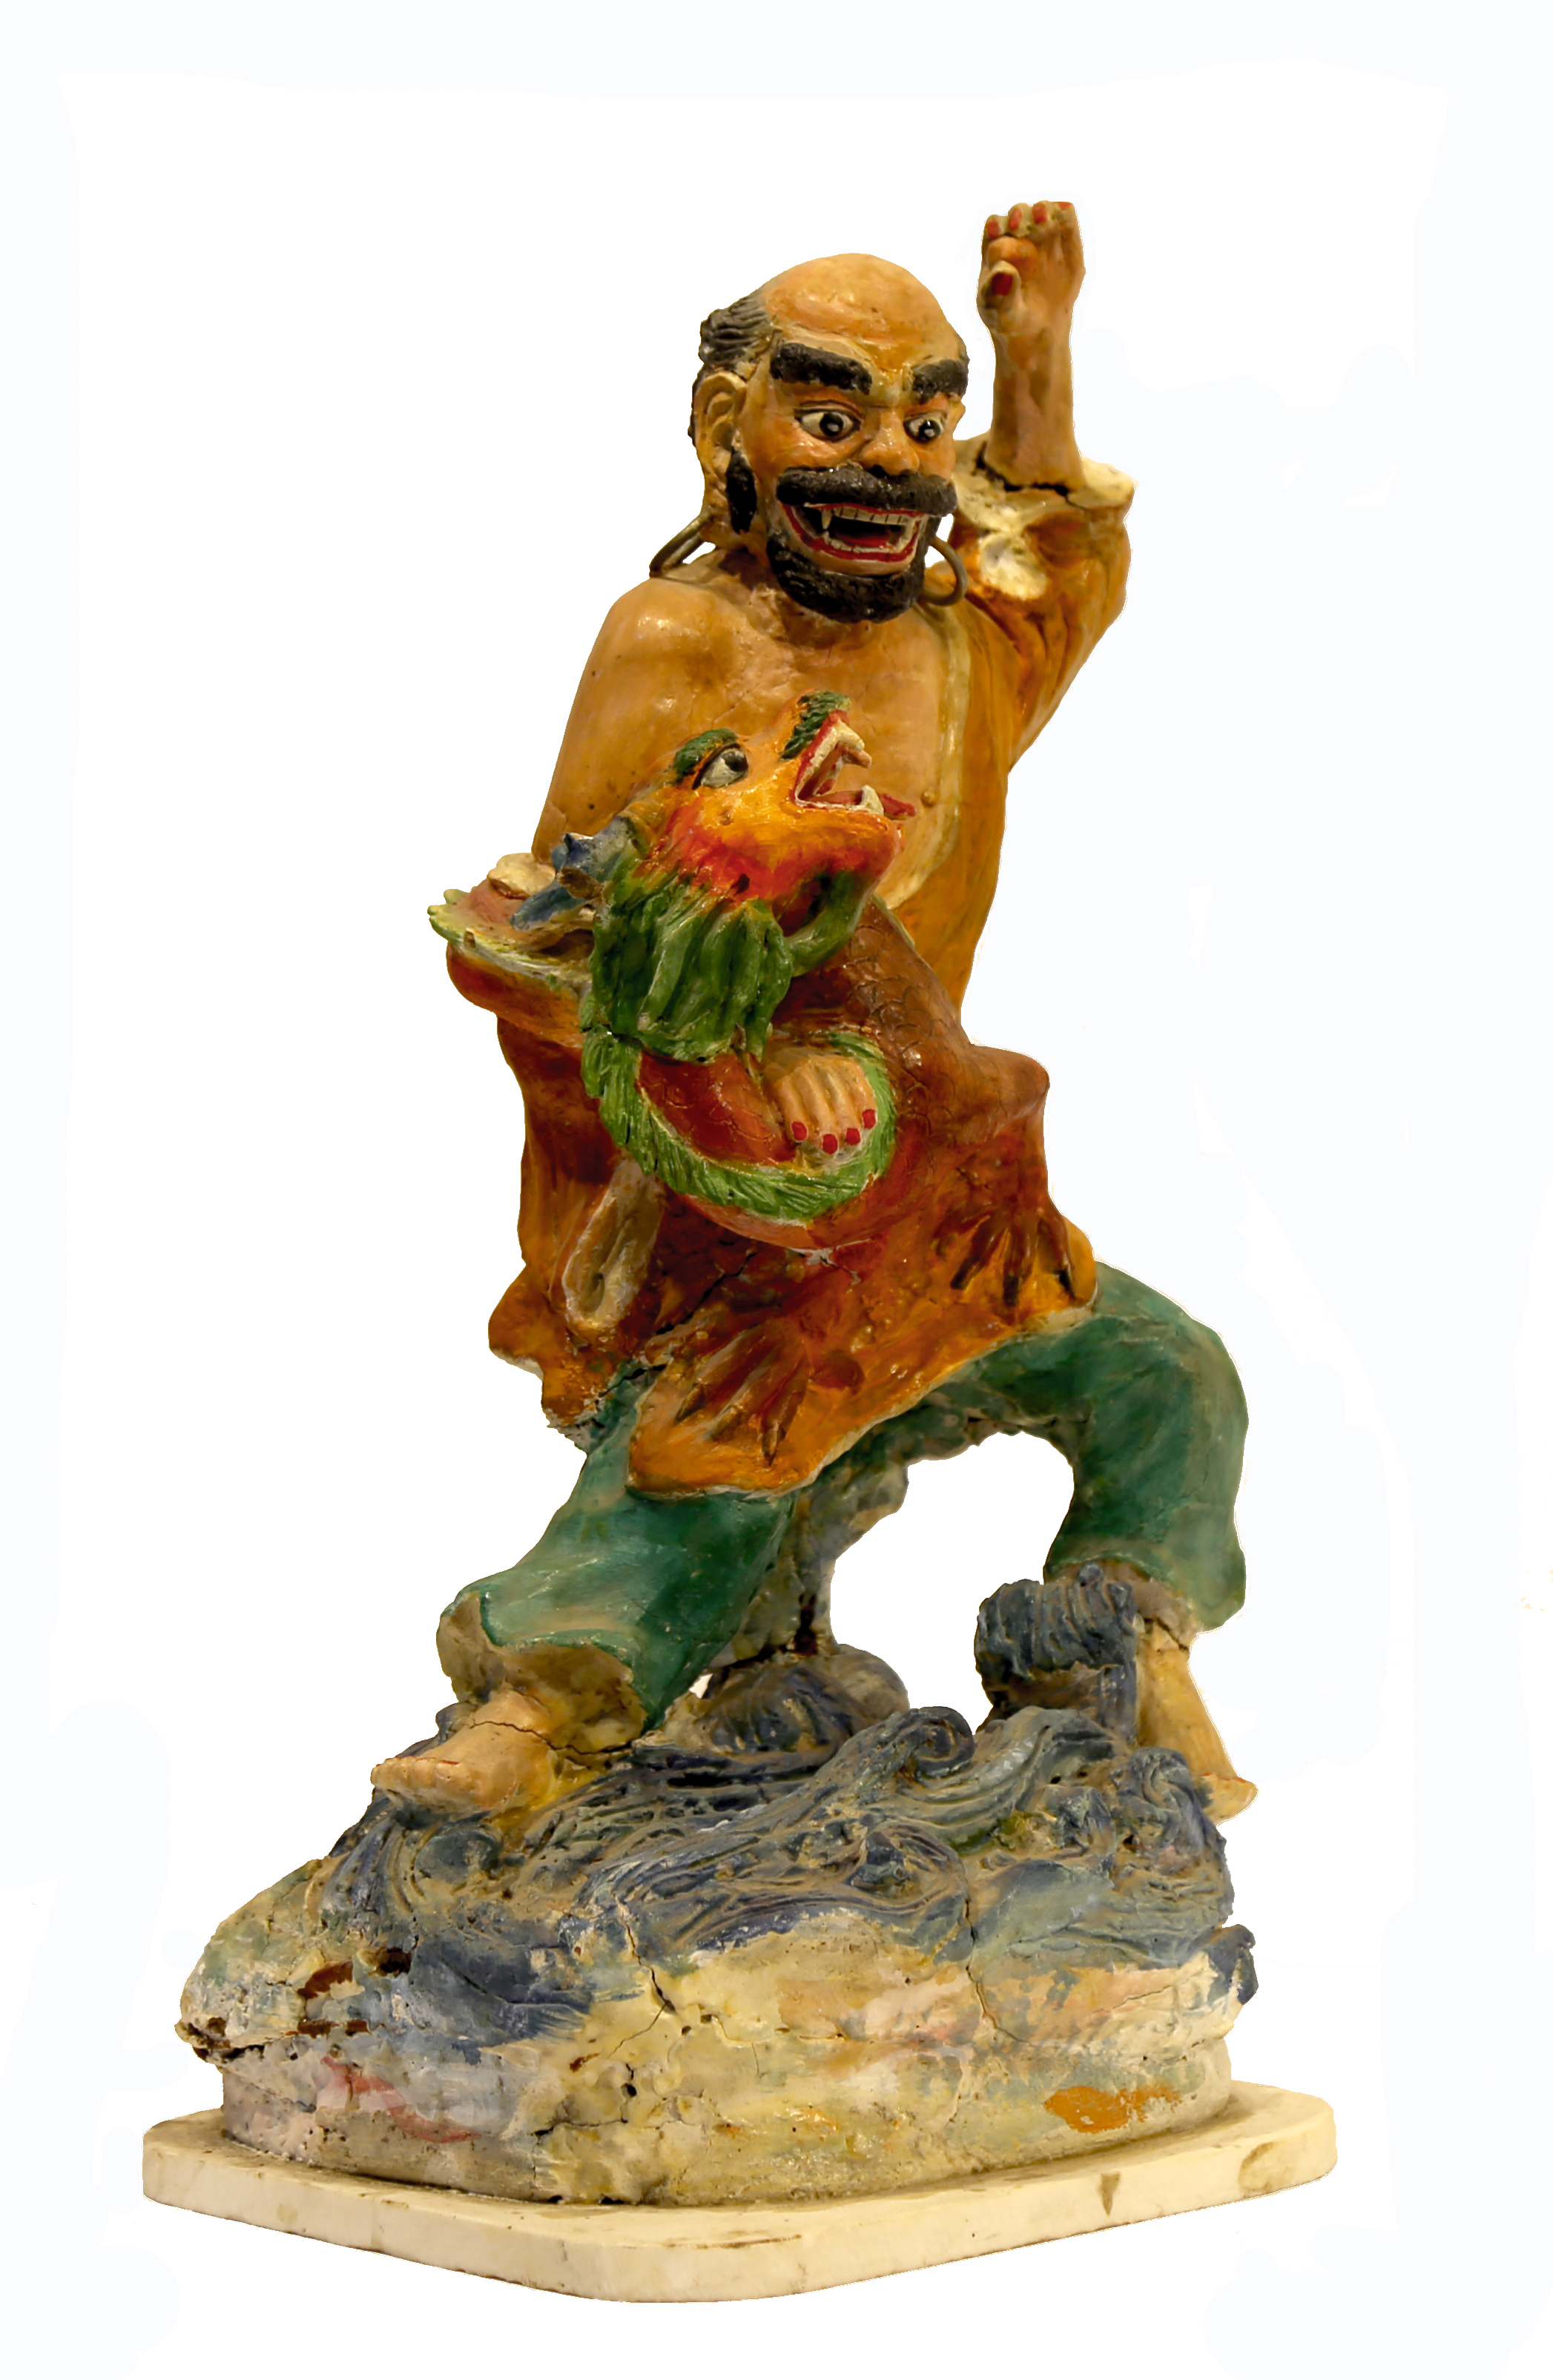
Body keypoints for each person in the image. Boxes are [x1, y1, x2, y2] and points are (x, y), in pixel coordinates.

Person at [372, 205, 1254, 1822]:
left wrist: (1036, 360)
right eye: (833, 416)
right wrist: (734, 1057)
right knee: (713, 1466)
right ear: (733, 426)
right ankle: (546, 1703)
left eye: (925, 420)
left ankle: (1112, 1647)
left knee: (1166, 1376)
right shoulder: (677, 639)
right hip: (730, 1217)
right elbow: (551, 932)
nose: (887, 465)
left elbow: (1052, 564)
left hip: (943, 1200)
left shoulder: (958, 649)